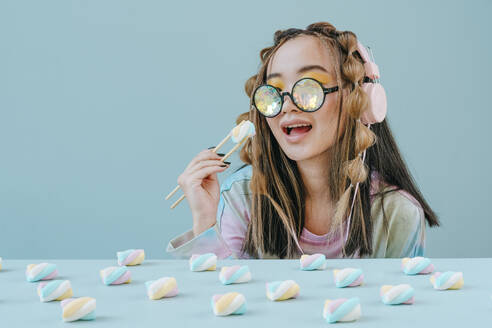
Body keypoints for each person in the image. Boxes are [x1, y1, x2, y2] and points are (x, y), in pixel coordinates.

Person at [166, 22, 439, 259]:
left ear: (360, 101)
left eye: (310, 87)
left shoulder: (397, 214)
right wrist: (204, 222)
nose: (286, 106)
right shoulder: (242, 197)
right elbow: (224, 304)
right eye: (273, 92)